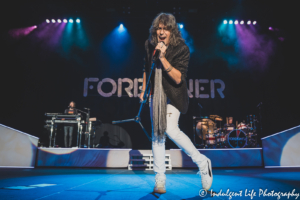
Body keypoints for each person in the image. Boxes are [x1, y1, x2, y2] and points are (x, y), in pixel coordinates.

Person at [139, 13, 213, 194]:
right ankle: (160, 180)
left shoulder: (181, 48)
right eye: (159, 28)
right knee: (157, 135)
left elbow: (179, 79)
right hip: (156, 94)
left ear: (172, 31)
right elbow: (145, 67)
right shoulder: (149, 45)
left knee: (170, 129)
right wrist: (143, 90)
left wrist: (163, 58)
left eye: (166, 28)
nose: (162, 32)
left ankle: (202, 162)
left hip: (173, 94)